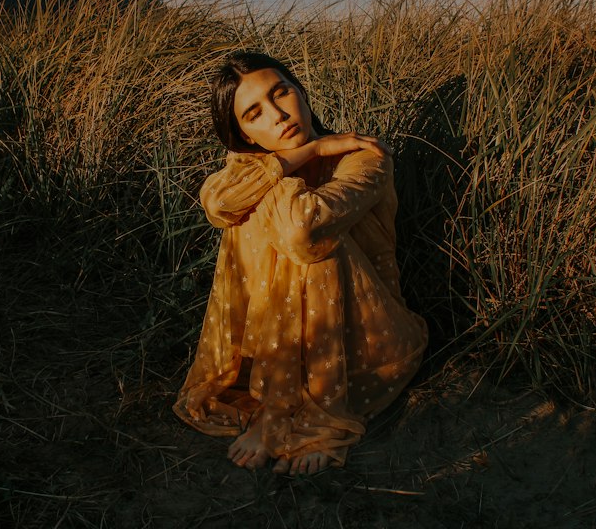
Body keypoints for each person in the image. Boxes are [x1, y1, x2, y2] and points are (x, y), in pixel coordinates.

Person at [173, 51, 428, 475]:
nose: (277, 115)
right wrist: (305, 152)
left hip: (364, 343)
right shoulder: (252, 167)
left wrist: (294, 166)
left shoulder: (363, 157)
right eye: (254, 113)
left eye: (281, 93)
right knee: (251, 201)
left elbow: (302, 232)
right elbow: (217, 203)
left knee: (306, 241)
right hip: (276, 341)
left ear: (301, 91)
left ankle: (287, 410)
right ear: (246, 135)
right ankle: (279, 397)